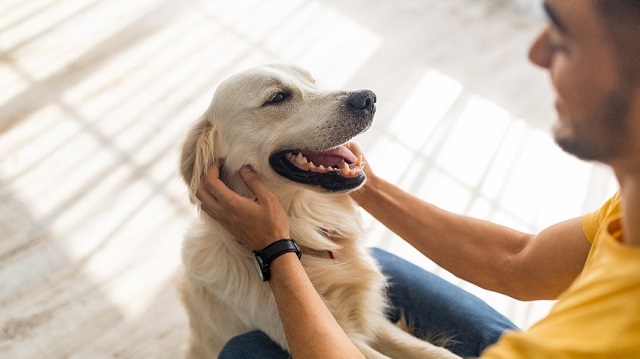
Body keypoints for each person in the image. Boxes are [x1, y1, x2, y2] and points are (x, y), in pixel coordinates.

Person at [195, 0, 640, 357]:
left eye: (563, 36)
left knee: (245, 349)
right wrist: (361, 180)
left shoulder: (596, 339)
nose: (535, 52)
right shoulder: (625, 211)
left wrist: (275, 252)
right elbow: (519, 260)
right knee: (375, 268)